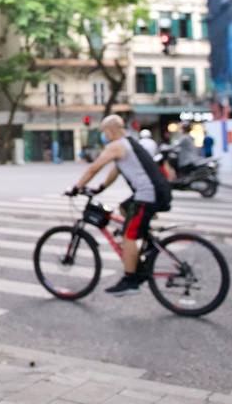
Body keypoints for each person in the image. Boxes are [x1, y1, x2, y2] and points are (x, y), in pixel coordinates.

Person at [70, 115, 171, 296]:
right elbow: (115, 172)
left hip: (149, 195)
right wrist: (99, 188)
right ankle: (142, 243)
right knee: (124, 208)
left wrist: (76, 187)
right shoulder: (127, 143)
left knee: (128, 235)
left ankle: (130, 280)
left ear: (110, 131)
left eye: (103, 132)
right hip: (155, 192)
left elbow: (95, 167)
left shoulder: (116, 146)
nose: (103, 135)